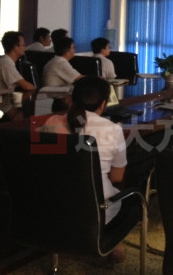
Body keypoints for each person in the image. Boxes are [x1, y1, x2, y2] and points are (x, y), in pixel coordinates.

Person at [39, 76, 128, 263]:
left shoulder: (52, 122)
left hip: (55, 206)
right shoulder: (113, 130)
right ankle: (107, 242)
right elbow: (117, 176)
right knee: (120, 193)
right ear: (103, 104)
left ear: (71, 99)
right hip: (96, 210)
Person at [0, 31, 36, 121]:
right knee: (21, 119)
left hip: (1, 100)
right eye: (23, 45)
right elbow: (27, 86)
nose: (25, 47)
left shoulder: (7, 61)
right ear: (15, 47)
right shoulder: (6, 63)